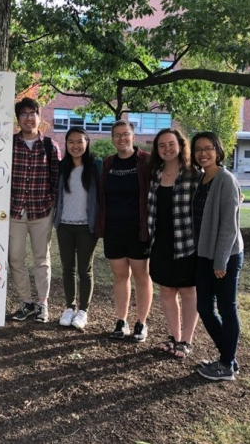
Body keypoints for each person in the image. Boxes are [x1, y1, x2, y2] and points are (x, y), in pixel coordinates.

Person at [190, 131, 244, 381]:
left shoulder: (226, 179)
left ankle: (226, 364)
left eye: (208, 148)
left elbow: (229, 226)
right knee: (204, 307)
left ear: (218, 150)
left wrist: (221, 261)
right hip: (204, 254)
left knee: (226, 308)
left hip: (225, 256)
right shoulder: (201, 179)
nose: (203, 153)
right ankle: (228, 358)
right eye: (198, 149)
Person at [96, 120, 153, 342]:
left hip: (139, 230)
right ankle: (122, 320)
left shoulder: (146, 161)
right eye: (117, 135)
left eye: (126, 134)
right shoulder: (108, 164)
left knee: (141, 276)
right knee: (120, 276)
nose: (122, 138)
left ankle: (142, 322)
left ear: (133, 136)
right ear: (112, 139)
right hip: (113, 230)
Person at [147, 128, 201, 358]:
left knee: (188, 291)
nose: (167, 149)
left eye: (171, 144)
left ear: (180, 145)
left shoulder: (194, 174)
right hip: (160, 242)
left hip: (187, 242)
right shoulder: (155, 174)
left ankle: (186, 341)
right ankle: (174, 337)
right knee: (167, 291)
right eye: (162, 145)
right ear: (157, 150)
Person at [8, 97, 61, 323]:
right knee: (15, 258)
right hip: (14, 212)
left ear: (40, 117)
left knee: (42, 259)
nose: (29, 118)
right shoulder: (8, 144)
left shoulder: (50, 146)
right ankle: (25, 302)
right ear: (18, 118)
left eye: (33, 113)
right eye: (24, 114)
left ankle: (42, 304)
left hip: (41, 212)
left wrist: (52, 205)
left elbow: (56, 181)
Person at [54, 127, 101, 330]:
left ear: (87, 142)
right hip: (64, 225)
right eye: (71, 141)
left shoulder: (96, 166)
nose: (75, 145)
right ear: (66, 144)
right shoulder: (61, 167)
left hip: (86, 226)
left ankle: (83, 310)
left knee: (85, 270)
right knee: (67, 268)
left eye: (79, 141)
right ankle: (69, 307)